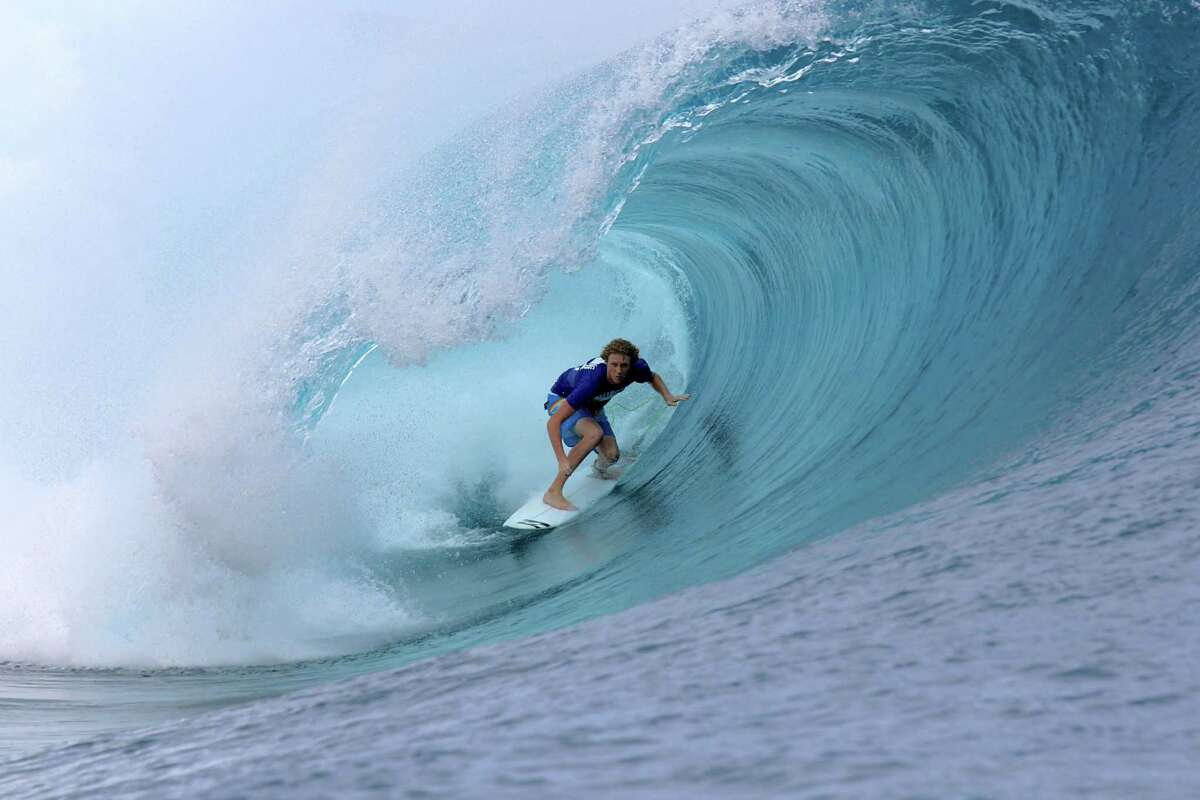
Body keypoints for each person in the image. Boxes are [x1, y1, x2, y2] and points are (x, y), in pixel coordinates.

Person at [543, 338, 690, 511]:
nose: (618, 371)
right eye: (613, 365)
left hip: (591, 407)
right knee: (593, 433)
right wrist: (562, 459)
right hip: (562, 399)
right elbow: (553, 422)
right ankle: (554, 491)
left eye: (623, 366)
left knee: (611, 456)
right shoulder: (591, 382)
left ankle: (598, 470)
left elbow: (653, 377)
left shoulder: (638, 368)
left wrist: (667, 396)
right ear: (606, 362)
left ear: (631, 365)